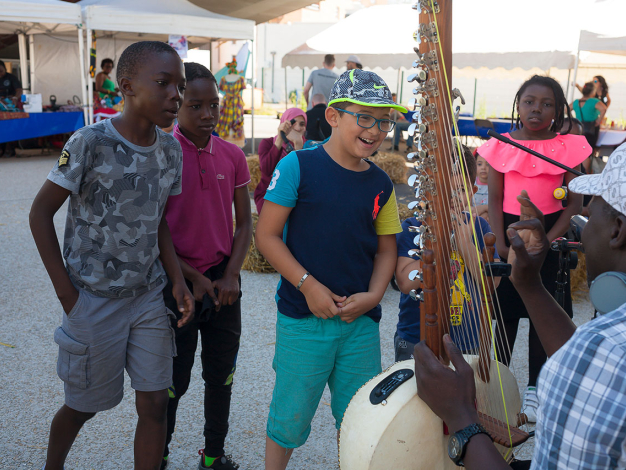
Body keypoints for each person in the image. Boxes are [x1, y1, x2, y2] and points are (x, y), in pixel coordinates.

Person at [414, 138, 626, 469]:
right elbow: (589, 360)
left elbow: (598, 362)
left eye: (590, 214)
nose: (582, 227)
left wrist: (461, 417)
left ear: (618, 230)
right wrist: (528, 284)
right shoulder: (615, 352)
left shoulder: (610, 356)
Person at [28, 41, 194, 470]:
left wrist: (177, 279)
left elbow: (157, 219)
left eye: (180, 86)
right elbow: (39, 214)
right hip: (92, 300)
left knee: (155, 402)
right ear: (127, 86)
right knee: (83, 406)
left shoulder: (170, 150)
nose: (176, 95)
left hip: (148, 297)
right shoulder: (89, 142)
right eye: (164, 83)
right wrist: (68, 296)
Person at [255, 69, 404, 470]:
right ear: (334, 116)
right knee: (289, 417)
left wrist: (374, 295)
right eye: (364, 117)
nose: (375, 130)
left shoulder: (381, 183)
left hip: (360, 323)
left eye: (384, 121)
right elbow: (266, 236)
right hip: (303, 320)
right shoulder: (298, 166)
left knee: (360, 418)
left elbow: (386, 250)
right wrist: (307, 285)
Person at [478, 75, 590, 423]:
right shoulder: (500, 145)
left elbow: (574, 204)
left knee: (544, 316)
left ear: (558, 111)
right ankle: (498, 387)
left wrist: (550, 240)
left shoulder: (569, 147)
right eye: (529, 102)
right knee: (505, 316)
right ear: (518, 105)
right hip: (511, 237)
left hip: (552, 238)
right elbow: (495, 199)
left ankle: (535, 392)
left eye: (546, 104)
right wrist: (502, 245)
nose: (536, 109)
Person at [161, 62, 252, 470]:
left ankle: (213, 456)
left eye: (213, 105)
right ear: (178, 104)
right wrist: (191, 277)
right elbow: (155, 229)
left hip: (223, 285)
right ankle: (158, 453)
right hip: (176, 283)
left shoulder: (233, 155)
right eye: (195, 106)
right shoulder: (161, 155)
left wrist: (231, 274)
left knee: (221, 376)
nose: (207, 115)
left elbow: (245, 223)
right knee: (172, 381)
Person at [394, 145, 499, 362]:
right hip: (416, 338)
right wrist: (438, 238)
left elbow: (492, 284)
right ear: (426, 188)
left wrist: (464, 243)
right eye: (442, 189)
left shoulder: (480, 227)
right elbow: (405, 283)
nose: (451, 197)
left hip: (468, 340)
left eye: (460, 190)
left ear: (472, 191)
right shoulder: (412, 226)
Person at [253, 108, 307, 214]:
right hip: (269, 193)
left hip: (297, 195)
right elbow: (267, 170)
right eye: (292, 123)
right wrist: (280, 138)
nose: (297, 128)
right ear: (284, 124)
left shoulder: (309, 146)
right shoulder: (268, 143)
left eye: (302, 124)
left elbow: (303, 178)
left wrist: (299, 147)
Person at [217, 59, 246, 147]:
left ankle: (231, 141)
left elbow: (221, 88)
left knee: (227, 120)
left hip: (228, 102)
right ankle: (233, 141)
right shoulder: (240, 79)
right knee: (234, 120)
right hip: (235, 102)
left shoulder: (225, 79)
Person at [571, 81, 607, 150]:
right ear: (593, 91)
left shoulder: (576, 101)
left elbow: (566, 110)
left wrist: (573, 119)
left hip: (578, 127)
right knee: (589, 148)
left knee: (578, 148)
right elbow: (604, 109)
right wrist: (598, 121)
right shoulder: (594, 101)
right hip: (591, 128)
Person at [474, 154, 490, 222]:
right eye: (479, 164)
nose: (483, 168)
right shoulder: (472, 183)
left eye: (488, 165)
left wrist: (484, 208)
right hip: (474, 215)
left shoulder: (497, 185)